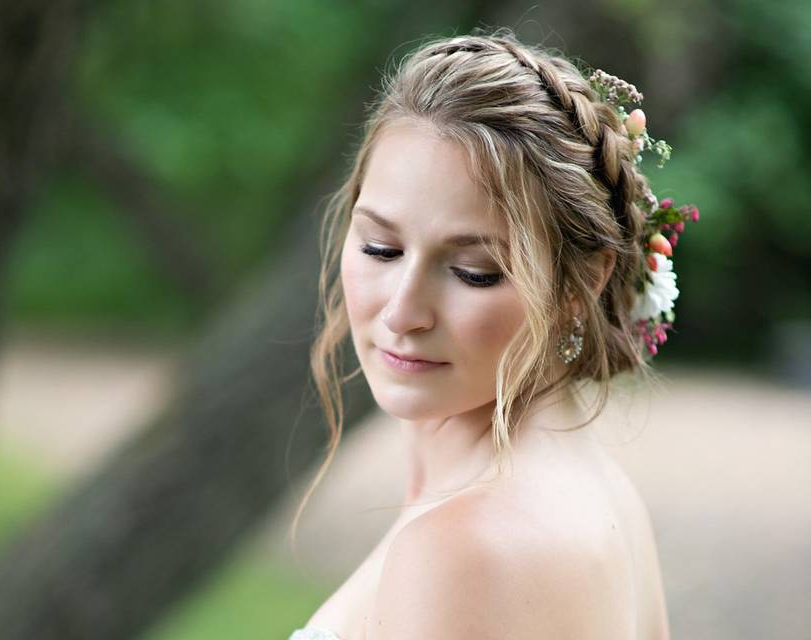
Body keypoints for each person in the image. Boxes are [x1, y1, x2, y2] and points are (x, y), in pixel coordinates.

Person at [288, 26, 696, 640]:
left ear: (576, 284)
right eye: (380, 246)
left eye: (474, 272)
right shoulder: (600, 495)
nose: (403, 312)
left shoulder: (464, 550)